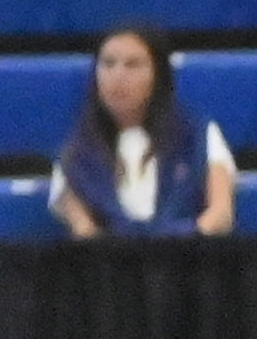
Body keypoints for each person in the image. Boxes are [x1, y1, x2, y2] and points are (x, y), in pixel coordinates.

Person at [49, 22, 234, 237]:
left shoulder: (198, 135)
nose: (118, 76)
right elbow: (84, 230)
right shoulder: (77, 152)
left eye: (133, 65)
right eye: (108, 64)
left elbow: (221, 215)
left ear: (158, 75)